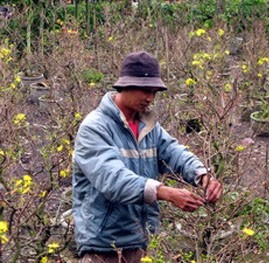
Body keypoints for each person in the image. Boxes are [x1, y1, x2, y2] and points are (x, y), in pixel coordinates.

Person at [72, 51, 223, 263]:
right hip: (103, 245)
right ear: (125, 85)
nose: (150, 98)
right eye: (145, 90)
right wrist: (166, 193)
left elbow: (173, 152)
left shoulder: (148, 126)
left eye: (154, 92)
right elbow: (112, 180)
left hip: (140, 240)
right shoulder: (94, 127)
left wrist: (203, 175)